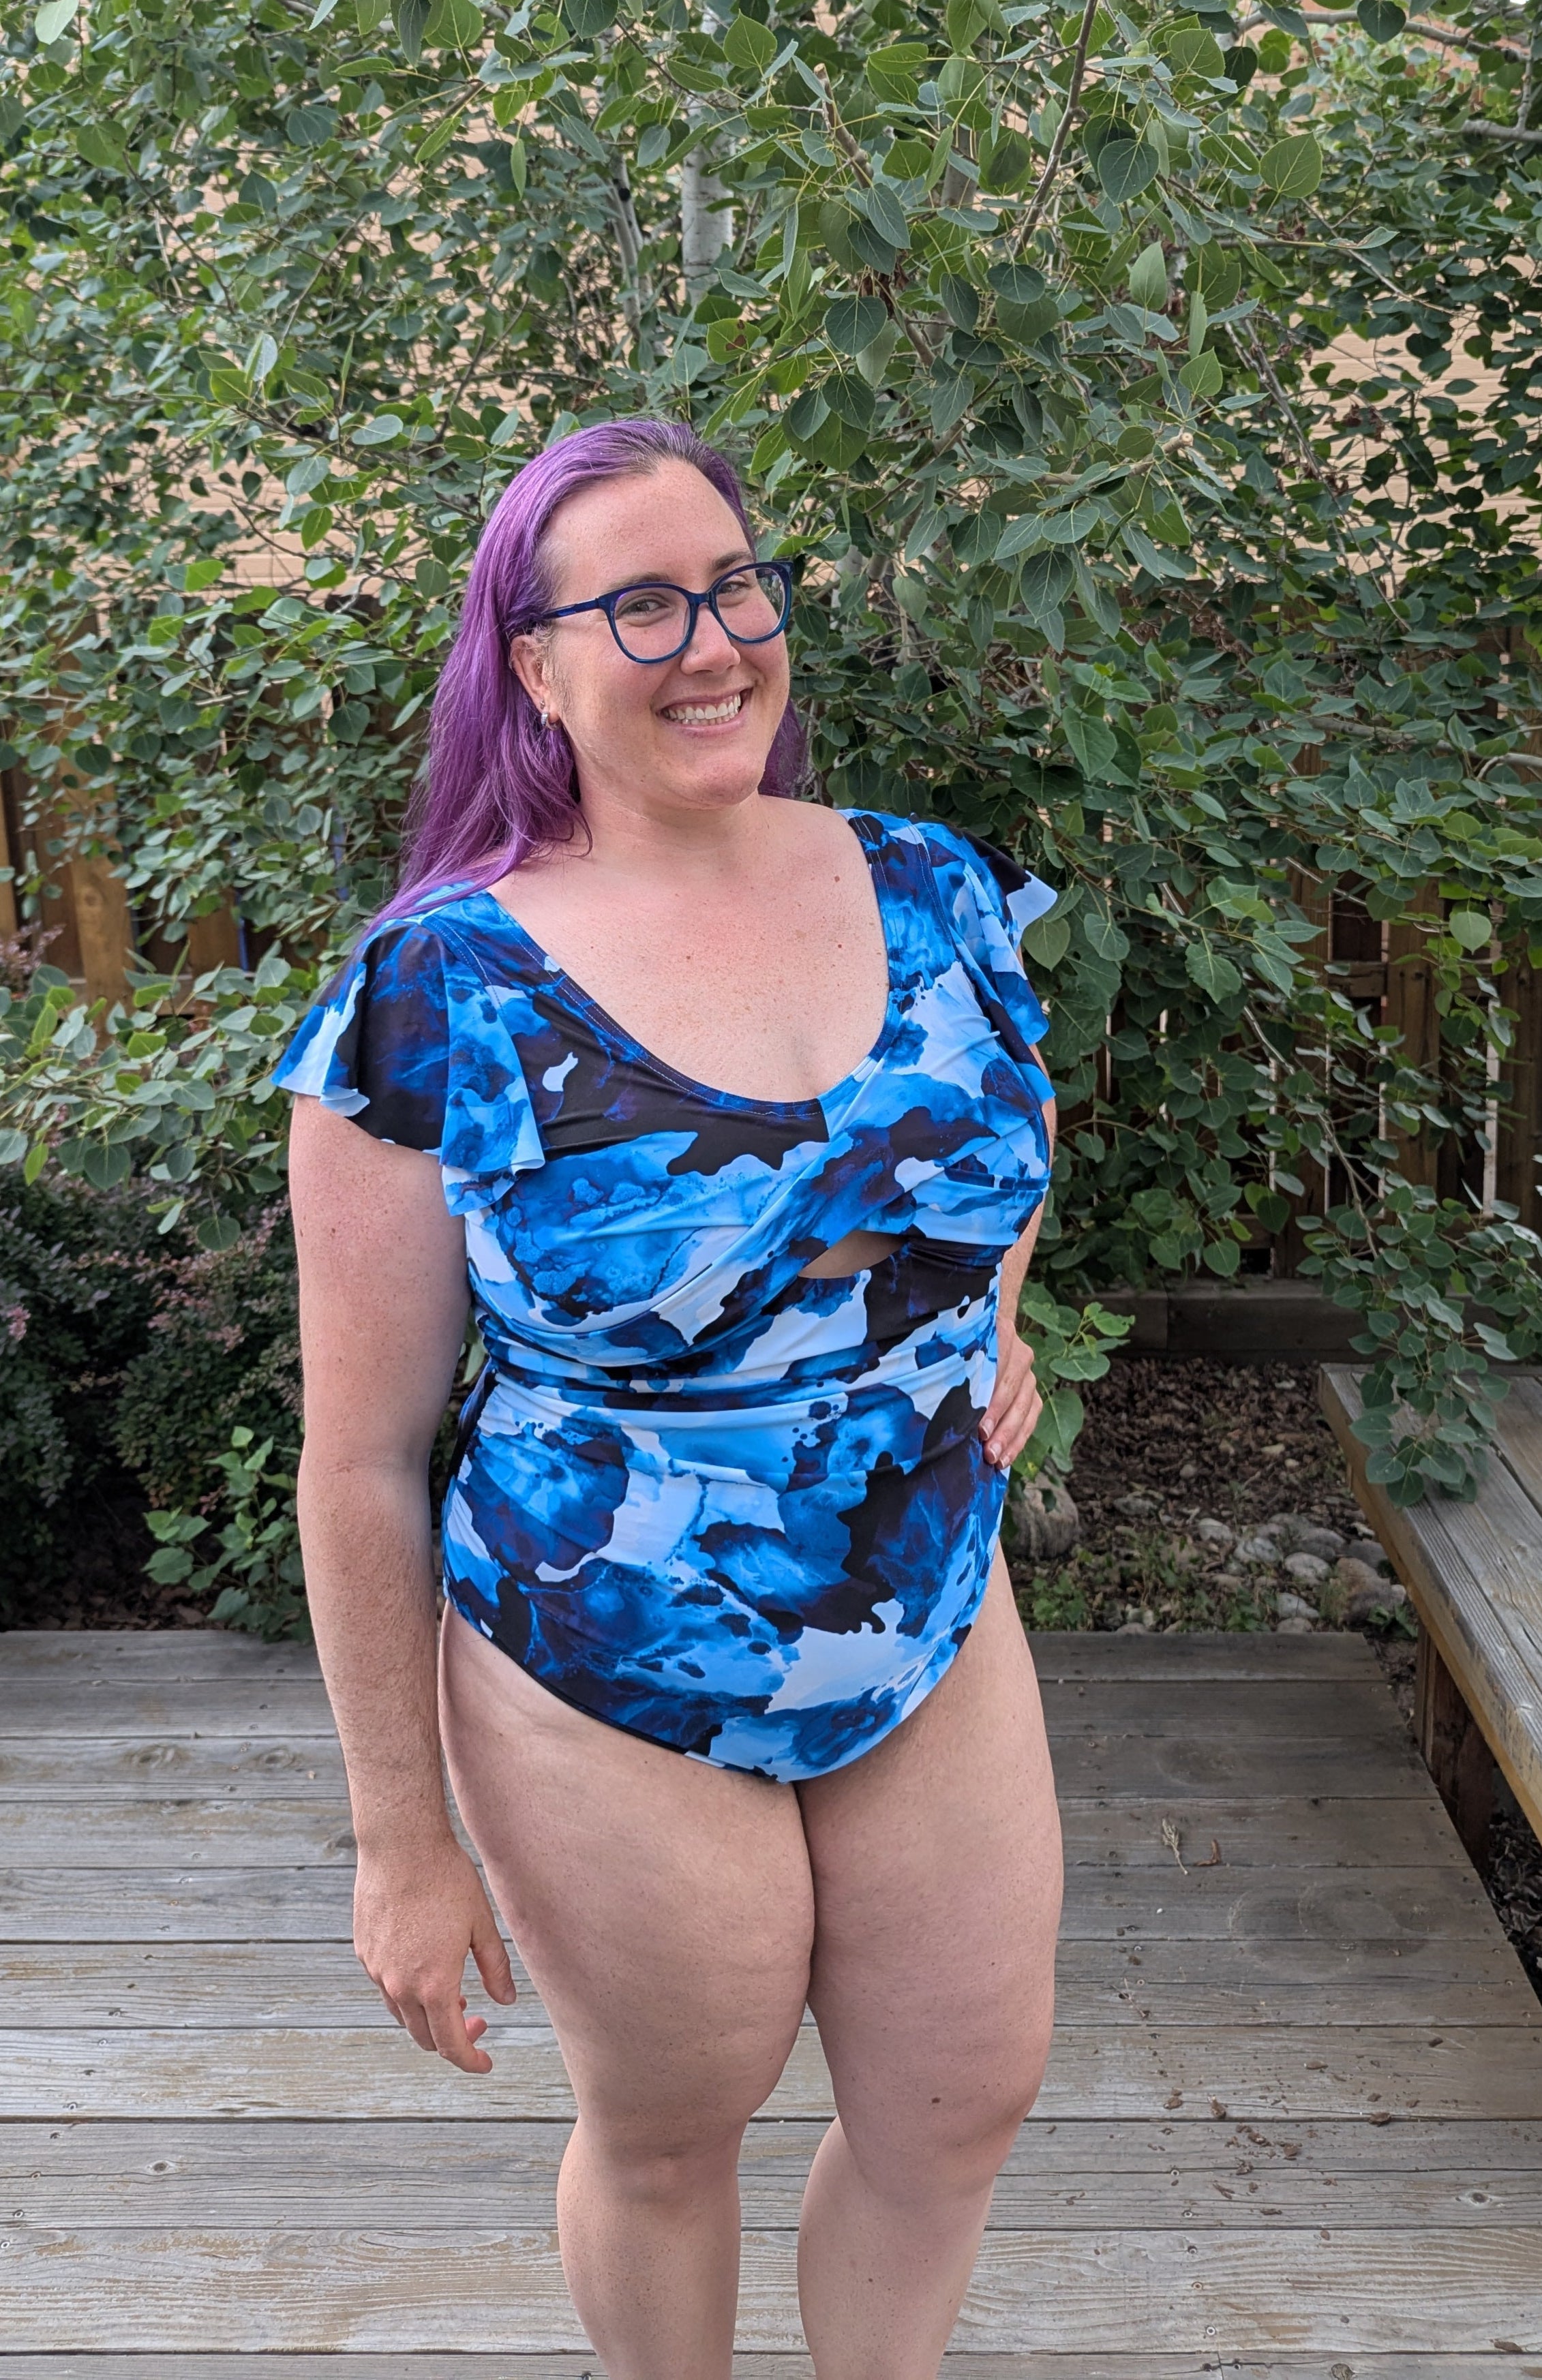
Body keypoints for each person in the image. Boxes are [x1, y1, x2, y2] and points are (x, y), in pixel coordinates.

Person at [277, 416, 1064, 2380]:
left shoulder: (930, 882)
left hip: (927, 1604)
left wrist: (981, 1315)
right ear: (528, 666)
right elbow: (360, 1462)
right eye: (638, 602)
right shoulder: (434, 993)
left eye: (735, 585)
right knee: (668, 2127)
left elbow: (996, 1139)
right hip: (605, 1655)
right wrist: (403, 1841)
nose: (711, 640)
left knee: (962, 2096)